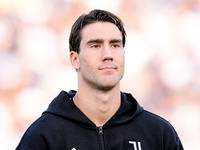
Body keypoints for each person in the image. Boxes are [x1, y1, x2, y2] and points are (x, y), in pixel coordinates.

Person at [16, 9, 183, 150]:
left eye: (115, 45)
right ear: (75, 59)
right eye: (95, 46)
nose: (108, 55)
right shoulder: (44, 135)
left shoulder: (159, 133)